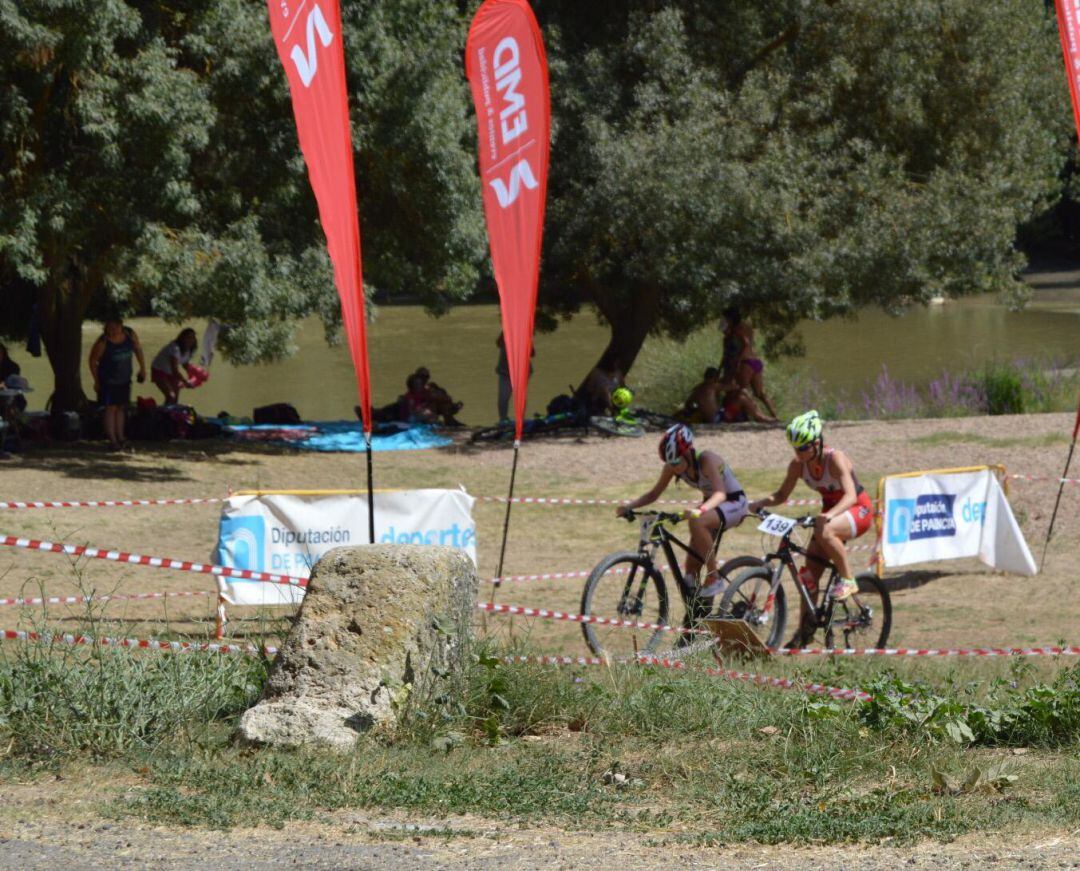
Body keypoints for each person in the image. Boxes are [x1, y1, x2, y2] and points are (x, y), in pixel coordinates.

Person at [748, 410, 874, 643]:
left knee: (824, 530)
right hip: (830, 515)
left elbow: (849, 496)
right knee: (809, 581)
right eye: (795, 449)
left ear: (817, 443)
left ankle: (848, 579)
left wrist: (828, 515)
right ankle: (804, 633)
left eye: (803, 448)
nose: (799, 453)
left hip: (858, 509)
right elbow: (781, 495)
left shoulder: (835, 459)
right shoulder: (798, 465)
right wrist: (758, 504)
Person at [616, 424, 748, 597]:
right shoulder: (672, 466)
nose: (675, 467)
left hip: (735, 503)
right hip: (711, 506)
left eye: (677, 461)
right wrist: (629, 506)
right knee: (690, 571)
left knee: (696, 521)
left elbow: (720, 493)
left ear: (688, 452)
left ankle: (714, 578)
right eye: (670, 463)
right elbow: (654, 493)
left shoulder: (707, 460)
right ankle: (696, 616)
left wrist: (700, 510)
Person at [88, 317, 146, 450]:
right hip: (108, 381)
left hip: (125, 379)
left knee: (121, 408)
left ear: (121, 326)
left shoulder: (130, 334)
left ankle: (121, 438)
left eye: (115, 328)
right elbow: (92, 361)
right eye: (109, 328)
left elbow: (138, 349)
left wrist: (142, 368)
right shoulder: (103, 342)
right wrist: (96, 381)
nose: (112, 331)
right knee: (110, 408)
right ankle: (112, 440)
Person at [721, 307, 778, 419]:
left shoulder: (737, 330)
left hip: (746, 363)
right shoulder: (747, 327)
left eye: (726, 318)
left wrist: (737, 362)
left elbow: (745, 345)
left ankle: (757, 415)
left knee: (741, 390)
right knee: (759, 393)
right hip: (756, 362)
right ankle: (774, 415)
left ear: (730, 318)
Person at [151, 328, 199, 405]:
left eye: (192, 338)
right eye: (188, 337)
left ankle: (170, 414)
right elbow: (175, 370)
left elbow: (185, 363)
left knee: (175, 398)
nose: (190, 340)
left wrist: (195, 374)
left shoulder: (189, 349)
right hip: (159, 370)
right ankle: (163, 414)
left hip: (170, 372)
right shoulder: (175, 348)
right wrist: (185, 382)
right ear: (182, 338)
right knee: (171, 395)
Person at [495, 332, 535, 422]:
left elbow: (532, 353)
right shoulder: (506, 330)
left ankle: (520, 420)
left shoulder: (524, 333)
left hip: (521, 372)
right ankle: (503, 420)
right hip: (505, 371)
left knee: (519, 397)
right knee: (503, 398)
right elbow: (498, 343)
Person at [579, 351, 623, 416]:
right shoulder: (597, 373)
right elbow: (591, 389)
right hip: (596, 400)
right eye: (615, 363)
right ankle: (613, 412)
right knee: (605, 390)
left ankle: (617, 410)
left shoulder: (618, 373)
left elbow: (623, 386)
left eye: (618, 363)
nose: (617, 365)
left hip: (613, 397)